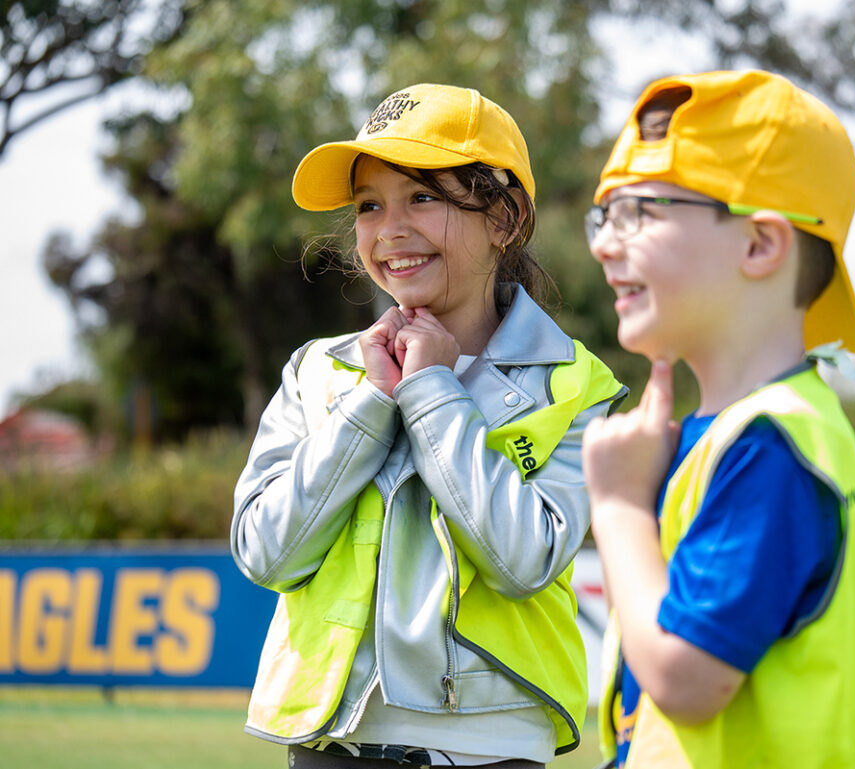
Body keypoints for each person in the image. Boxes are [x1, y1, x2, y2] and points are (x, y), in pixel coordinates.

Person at [231, 83, 627, 769]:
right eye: (368, 206)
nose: (390, 230)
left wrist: (432, 391)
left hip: (492, 746)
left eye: (422, 197)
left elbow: (522, 560)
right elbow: (265, 552)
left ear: (504, 217)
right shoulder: (317, 371)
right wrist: (370, 404)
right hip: (330, 742)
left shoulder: (576, 383)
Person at [580, 70, 855, 768]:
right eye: (604, 215)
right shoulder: (733, 436)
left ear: (762, 245)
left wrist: (616, 507)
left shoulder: (773, 443)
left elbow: (685, 677)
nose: (604, 244)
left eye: (639, 212)